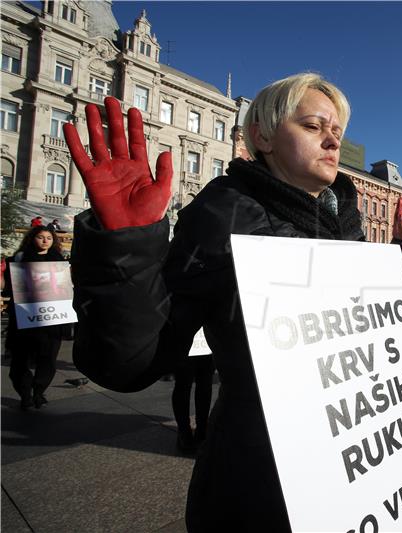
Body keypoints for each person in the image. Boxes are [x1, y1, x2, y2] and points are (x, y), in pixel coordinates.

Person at [64, 73, 365, 531]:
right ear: (262, 136)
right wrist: (125, 246)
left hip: (352, 458)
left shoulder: (347, 224)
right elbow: (128, 364)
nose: (331, 139)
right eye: (312, 126)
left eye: (337, 132)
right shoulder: (224, 213)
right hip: (257, 478)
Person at [2, 226, 67, 410]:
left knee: (48, 359)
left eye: (49, 237)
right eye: (40, 237)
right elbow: (8, 288)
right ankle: (24, 394)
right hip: (24, 318)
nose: (45, 240)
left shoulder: (58, 260)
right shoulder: (18, 259)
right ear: (32, 239)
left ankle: (38, 392)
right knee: (20, 360)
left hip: (51, 320)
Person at [172, 350, 216, 455]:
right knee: (191, 384)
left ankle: (191, 433)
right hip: (197, 341)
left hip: (203, 342)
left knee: (199, 384)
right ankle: (190, 433)